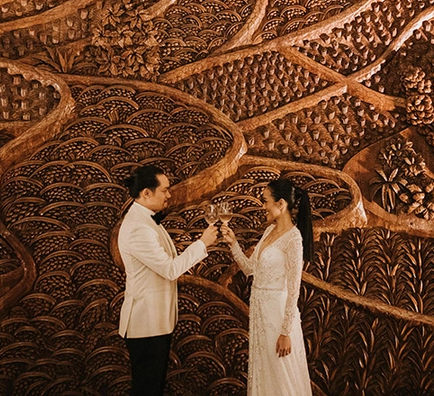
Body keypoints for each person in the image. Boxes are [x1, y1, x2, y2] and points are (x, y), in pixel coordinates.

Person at [118, 165, 219, 396]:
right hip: (146, 324)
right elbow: (170, 269)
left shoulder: (145, 221)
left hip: (155, 322)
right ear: (146, 193)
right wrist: (202, 244)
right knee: (147, 390)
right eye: (165, 190)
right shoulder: (138, 229)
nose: (169, 195)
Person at [220, 178, 314, 396]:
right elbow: (250, 269)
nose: (263, 206)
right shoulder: (268, 231)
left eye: (265, 201)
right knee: (265, 372)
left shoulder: (294, 239)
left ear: (281, 204)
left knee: (281, 376)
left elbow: (294, 289)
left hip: (278, 316)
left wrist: (285, 332)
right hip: (260, 313)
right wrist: (234, 244)